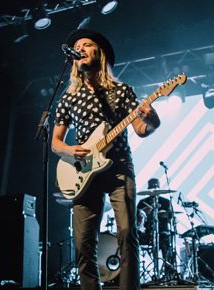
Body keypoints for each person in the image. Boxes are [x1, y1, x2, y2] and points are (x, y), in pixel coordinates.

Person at [51, 29, 161, 290]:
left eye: (86, 44)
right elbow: (55, 142)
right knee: (83, 244)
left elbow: (140, 129)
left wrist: (153, 121)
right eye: (77, 46)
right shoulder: (69, 97)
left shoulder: (122, 91)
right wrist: (70, 150)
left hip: (119, 168)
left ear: (98, 53)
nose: (81, 49)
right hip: (84, 171)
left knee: (126, 234)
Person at [137, 178, 174, 277]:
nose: (154, 188)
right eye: (152, 186)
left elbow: (170, 218)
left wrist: (164, 215)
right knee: (132, 239)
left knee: (165, 240)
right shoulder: (142, 202)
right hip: (146, 232)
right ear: (148, 188)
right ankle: (134, 272)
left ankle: (168, 272)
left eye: (156, 186)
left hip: (162, 232)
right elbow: (136, 219)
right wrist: (144, 211)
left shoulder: (165, 202)